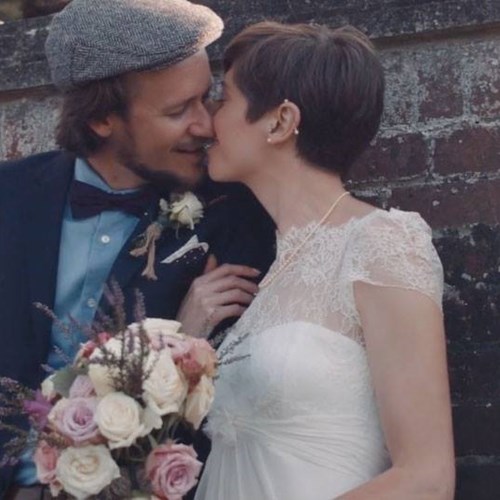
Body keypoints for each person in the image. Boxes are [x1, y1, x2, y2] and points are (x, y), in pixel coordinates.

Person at [0, 1, 275, 498]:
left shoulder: (232, 215)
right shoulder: (9, 196)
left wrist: (183, 342)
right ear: (102, 119)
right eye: (178, 110)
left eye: (206, 98)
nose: (205, 125)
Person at [195, 22, 455, 499]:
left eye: (224, 98)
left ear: (280, 122)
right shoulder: (272, 267)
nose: (208, 117)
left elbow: (427, 478)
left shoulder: (381, 243)